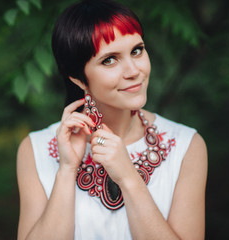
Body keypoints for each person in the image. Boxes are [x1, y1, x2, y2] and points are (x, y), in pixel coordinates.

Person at [16, 0, 207, 239]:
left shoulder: (186, 146)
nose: (133, 71)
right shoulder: (36, 149)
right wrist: (66, 169)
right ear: (77, 78)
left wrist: (128, 177)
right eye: (110, 60)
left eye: (136, 51)